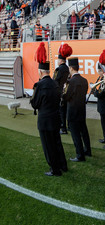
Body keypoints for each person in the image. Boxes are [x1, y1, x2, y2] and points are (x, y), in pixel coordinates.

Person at [30, 43, 67, 176]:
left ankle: (54, 169)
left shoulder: (39, 85)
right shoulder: (54, 83)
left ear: (40, 72)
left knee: (48, 146)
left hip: (45, 120)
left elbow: (35, 104)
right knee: (57, 143)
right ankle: (63, 165)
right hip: (56, 118)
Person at [63, 57, 91, 162]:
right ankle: (87, 150)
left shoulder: (71, 81)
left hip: (72, 111)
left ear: (71, 68)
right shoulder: (84, 80)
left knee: (75, 134)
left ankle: (80, 155)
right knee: (84, 131)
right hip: (82, 110)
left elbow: (66, 97)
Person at [53, 43, 72, 134]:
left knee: (61, 111)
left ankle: (63, 127)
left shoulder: (58, 69)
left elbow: (55, 81)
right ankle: (68, 126)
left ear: (60, 60)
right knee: (66, 110)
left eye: (58, 59)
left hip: (59, 92)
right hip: (66, 91)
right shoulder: (68, 68)